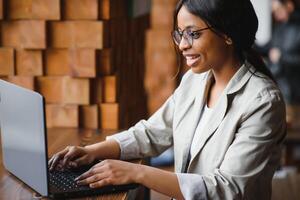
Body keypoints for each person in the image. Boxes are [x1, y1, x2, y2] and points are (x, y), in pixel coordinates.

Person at [48, 0, 287, 199]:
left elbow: (226, 189)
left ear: (226, 34)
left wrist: (137, 173)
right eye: (180, 34)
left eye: (193, 34)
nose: (183, 45)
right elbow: (153, 132)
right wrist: (92, 151)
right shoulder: (195, 81)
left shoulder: (262, 102)